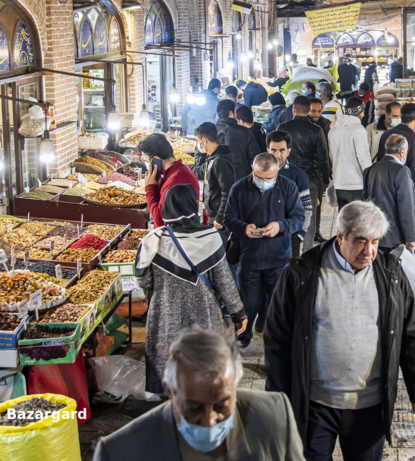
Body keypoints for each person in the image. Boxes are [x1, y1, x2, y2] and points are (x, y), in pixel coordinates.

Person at [264, 201, 415, 461]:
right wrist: (278, 400)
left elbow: (411, 332)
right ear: (340, 236)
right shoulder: (302, 273)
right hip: (315, 405)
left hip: (369, 406)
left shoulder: (391, 273)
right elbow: (277, 340)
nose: (369, 251)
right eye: (360, 241)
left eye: (375, 242)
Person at [93, 328, 305, 461]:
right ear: (168, 390)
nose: (209, 420)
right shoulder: (119, 452)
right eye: (193, 407)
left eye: (222, 404)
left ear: (235, 385)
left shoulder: (274, 416)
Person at [135, 185, 247, 394]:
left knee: (170, 372)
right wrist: (239, 313)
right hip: (205, 318)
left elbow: (144, 281)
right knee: (204, 373)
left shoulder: (153, 240)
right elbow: (224, 282)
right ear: (193, 206)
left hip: (165, 319)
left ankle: (173, 415)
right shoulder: (211, 238)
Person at [223, 153, 305, 348]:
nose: (265, 182)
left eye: (270, 179)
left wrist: (281, 225)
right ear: (252, 167)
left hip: (278, 259)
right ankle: (242, 341)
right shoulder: (239, 188)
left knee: (276, 305)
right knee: (247, 304)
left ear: (277, 171)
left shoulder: (288, 187)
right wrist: (244, 228)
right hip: (248, 258)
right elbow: (228, 218)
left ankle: (274, 345)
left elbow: (299, 218)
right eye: (260, 178)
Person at [280, 96, 331, 254]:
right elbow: (323, 156)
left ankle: (286, 248)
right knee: (309, 216)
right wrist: (325, 178)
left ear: (293, 109)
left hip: (286, 177)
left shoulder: (283, 127)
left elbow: (278, 152)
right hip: (310, 178)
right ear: (309, 110)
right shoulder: (316, 130)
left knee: (285, 212)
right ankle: (308, 251)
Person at [361, 134, 415, 251]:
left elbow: (365, 203)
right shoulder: (401, 171)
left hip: (376, 236)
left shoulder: (370, 170)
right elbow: (406, 206)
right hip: (396, 238)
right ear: (402, 151)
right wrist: (410, 237)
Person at [140, 133, 201, 227]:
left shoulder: (176, 179)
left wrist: (150, 188)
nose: (147, 165)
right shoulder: (175, 172)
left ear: (156, 159)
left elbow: (160, 219)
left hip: (174, 238)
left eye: (147, 161)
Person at [267, 130, 313, 255]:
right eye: (273, 150)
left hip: (290, 235)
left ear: (288, 151)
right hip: (264, 236)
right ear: (267, 150)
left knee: (288, 273)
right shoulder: (259, 172)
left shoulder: (298, 175)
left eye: (282, 150)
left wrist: (300, 234)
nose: (277, 154)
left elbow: (306, 208)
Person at [192, 122, 241, 233]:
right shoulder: (211, 158)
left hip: (219, 218)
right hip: (214, 213)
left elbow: (228, 190)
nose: (198, 145)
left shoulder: (220, 161)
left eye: (198, 141)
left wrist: (219, 217)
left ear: (204, 141)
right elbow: (201, 172)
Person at [376, 102, 415, 205]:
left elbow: (380, 160)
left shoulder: (386, 134)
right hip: (405, 190)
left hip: (386, 189)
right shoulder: (413, 139)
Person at [328, 98, 372, 209]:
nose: (363, 114)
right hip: (356, 184)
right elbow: (364, 158)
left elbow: (331, 156)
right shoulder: (358, 130)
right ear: (360, 111)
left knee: (344, 221)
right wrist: (371, 179)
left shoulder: (333, 129)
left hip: (339, 183)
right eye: (363, 111)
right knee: (357, 222)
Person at [215, 99, 262, 173]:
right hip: (240, 177)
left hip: (217, 176)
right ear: (231, 113)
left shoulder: (211, 131)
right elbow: (255, 157)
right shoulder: (244, 131)